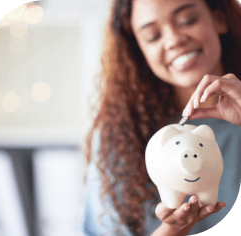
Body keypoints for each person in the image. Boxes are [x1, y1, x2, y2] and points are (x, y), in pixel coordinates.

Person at [81, 0, 241, 235]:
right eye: (153, 36)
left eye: (188, 20)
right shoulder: (120, 137)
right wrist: (172, 230)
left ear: (219, 19)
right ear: (140, 51)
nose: (174, 40)